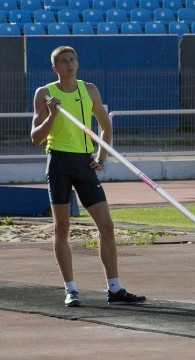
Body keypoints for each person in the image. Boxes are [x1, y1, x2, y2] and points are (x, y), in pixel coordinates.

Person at [31, 46, 146, 307]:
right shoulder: (45, 93)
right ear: (55, 68)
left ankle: (114, 289)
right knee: (62, 228)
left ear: (78, 64)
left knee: (106, 226)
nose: (70, 64)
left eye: (73, 60)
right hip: (59, 162)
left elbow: (106, 127)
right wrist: (51, 115)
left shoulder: (89, 89)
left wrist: (101, 158)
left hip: (85, 164)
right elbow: (35, 137)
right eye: (64, 61)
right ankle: (71, 290)